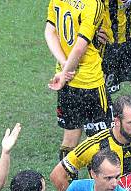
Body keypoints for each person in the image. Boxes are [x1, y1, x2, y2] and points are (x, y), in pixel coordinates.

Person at [45, 0, 113, 162]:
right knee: (102, 142)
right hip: (90, 83)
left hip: (67, 82)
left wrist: (63, 67)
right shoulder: (93, 4)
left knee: (69, 140)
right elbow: (79, 48)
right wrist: (67, 70)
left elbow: (49, 32)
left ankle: (65, 183)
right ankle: (101, 185)